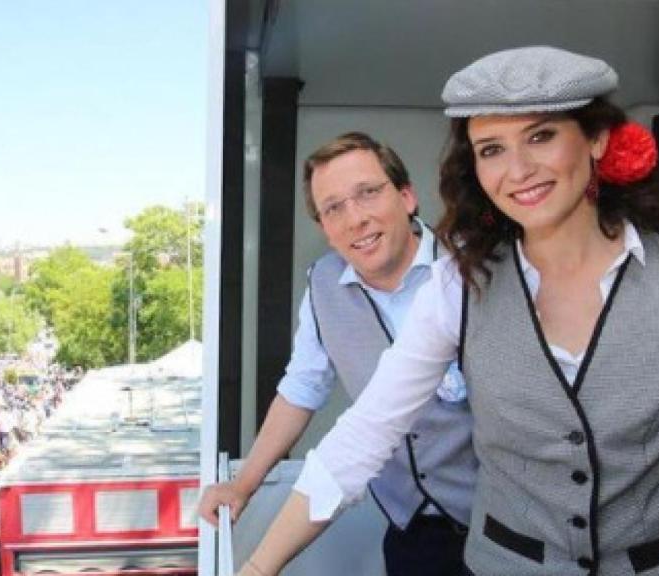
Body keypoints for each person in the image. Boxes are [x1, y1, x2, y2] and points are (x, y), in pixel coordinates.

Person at [239, 46, 659, 576]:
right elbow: (365, 432)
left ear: (596, 139)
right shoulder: (459, 282)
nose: (518, 170)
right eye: (491, 149)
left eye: (541, 136)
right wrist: (256, 567)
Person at [199, 132, 477, 575]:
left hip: (499, 526)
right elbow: (303, 387)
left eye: (367, 194)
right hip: (412, 529)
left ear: (407, 196)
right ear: (325, 230)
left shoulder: (472, 269)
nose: (355, 219)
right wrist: (243, 484)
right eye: (333, 208)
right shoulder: (323, 285)